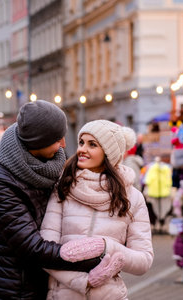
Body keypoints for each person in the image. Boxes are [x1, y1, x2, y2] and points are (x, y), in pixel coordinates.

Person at [0, 100, 109, 300]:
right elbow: (31, 248)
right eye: (57, 139)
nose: (64, 144)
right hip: (16, 290)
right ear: (37, 142)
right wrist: (91, 259)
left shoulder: (46, 164)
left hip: (46, 283)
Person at [41, 120, 154, 299]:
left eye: (92, 144)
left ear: (109, 153)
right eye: (81, 142)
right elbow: (45, 252)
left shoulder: (131, 197)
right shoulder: (63, 188)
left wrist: (106, 247)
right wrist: (84, 282)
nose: (82, 150)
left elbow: (144, 260)